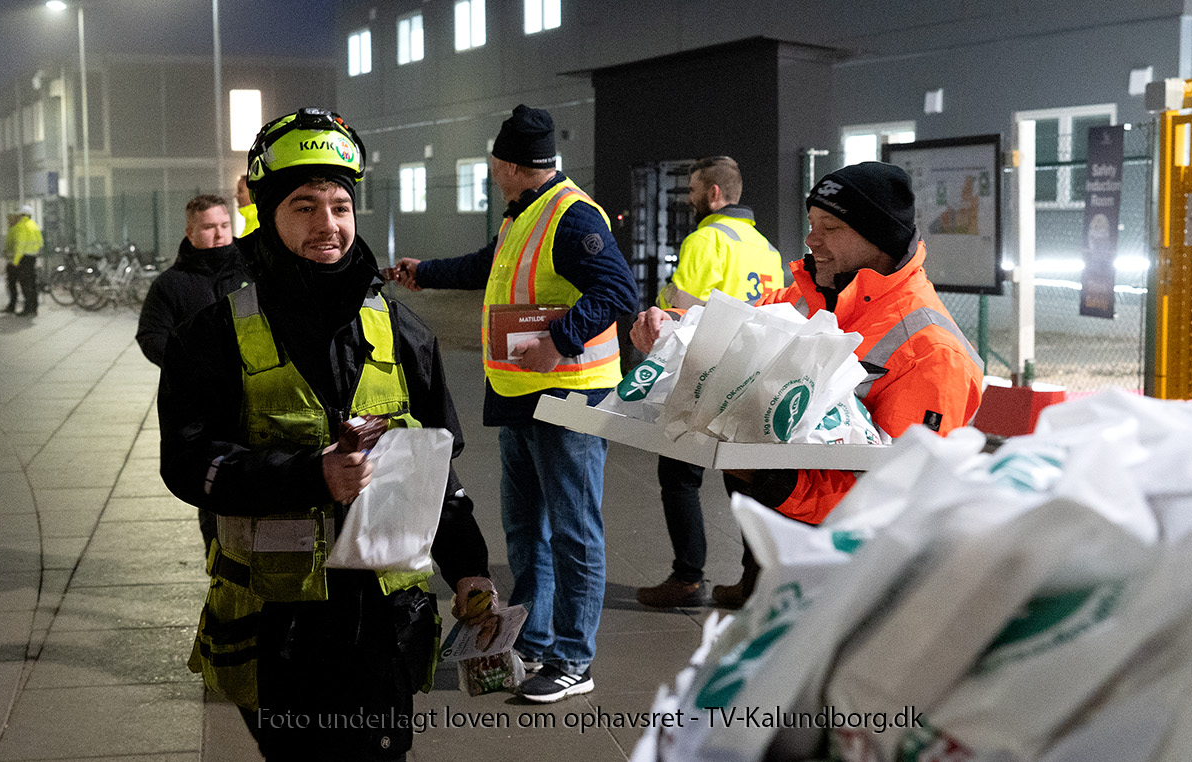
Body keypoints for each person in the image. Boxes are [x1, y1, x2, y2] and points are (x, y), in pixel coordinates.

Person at [157, 107, 496, 760]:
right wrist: (308, 475)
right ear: (268, 213)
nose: (328, 225)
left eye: (340, 205)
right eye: (305, 206)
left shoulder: (402, 331)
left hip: (385, 624)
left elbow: (437, 472)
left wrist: (470, 571)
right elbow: (187, 463)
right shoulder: (212, 336)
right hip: (279, 630)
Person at [631, 161, 984, 608]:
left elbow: (896, 499)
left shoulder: (932, 352)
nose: (811, 239)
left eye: (830, 227)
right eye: (812, 224)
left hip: (849, 586)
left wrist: (771, 478)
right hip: (782, 550)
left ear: (878, 237)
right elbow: (737, 325)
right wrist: (672, 325)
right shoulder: (807, 295)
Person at [388, 104, 638, 703]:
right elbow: (488, 266)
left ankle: (574, 658)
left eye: (493, 161)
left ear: (506, 164)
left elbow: (618, 289)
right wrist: (427, 272)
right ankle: (535, 638)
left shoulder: (571, 215)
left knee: (575, 531)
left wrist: (560, 340)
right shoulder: (524, 211)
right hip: (521, 397)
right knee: (528, 529)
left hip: (569, 397)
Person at [637, 156, 784, 609]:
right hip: (755, 374)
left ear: (714, 194)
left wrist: (658, 304)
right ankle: (753, 580)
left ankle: (687, 577)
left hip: (705, 370)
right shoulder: (766, 247)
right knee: (745, 479)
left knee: (678, 472)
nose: (689, 200)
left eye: (694, 191)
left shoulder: (705, 239)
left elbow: (682, 306)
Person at [135, 193, 248, 366]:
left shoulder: (253, 269)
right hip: (198, 388)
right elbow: (151, 335)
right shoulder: (170, 284)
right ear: (190, 233)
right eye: (209, 227)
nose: (219, 234)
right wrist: (189, 366)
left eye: (225, 226)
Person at [3, 204, 43, 317]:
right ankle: (34, 308)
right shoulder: (34, 225)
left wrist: (15, 261)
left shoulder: (21, 226)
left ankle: (27, 309)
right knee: (32, 284)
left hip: (24, 258)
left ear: (21, 215)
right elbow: (40, 242)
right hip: (33, 257)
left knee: (25, 285)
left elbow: (19, 246)